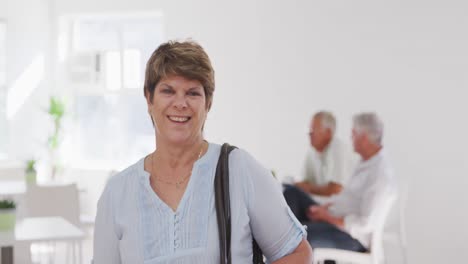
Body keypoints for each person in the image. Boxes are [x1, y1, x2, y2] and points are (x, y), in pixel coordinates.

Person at [92, 40, 312, 263]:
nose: (180, 103)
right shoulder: (117, 193)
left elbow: (299, 254)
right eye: (168, 91)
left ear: (208, 103)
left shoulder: (239, 170)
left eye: (193, 93)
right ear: (149, 99)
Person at [285, 112, 396, 252]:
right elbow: (346, 199)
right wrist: (325, 209)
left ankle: (284, 235)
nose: (351, 138)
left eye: (353, 134)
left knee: (295, 237)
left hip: (352, 236)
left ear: (364, 138)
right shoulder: (365, 163)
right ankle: (282, 231)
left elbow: (364, 224)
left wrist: (327, 216)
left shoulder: (380, 175)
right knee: (291, 193)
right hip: (335, 220)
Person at [295, 111, 355, 196]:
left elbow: (335, 190)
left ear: (328, 132)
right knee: (290, 192)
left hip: (338, 206)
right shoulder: (312, 151)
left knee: (291, 194)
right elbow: (304, 182)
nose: (310, 133)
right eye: (310, 128)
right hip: (318, 204)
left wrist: (308, 188)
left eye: (314, 128)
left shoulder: (337, 147)